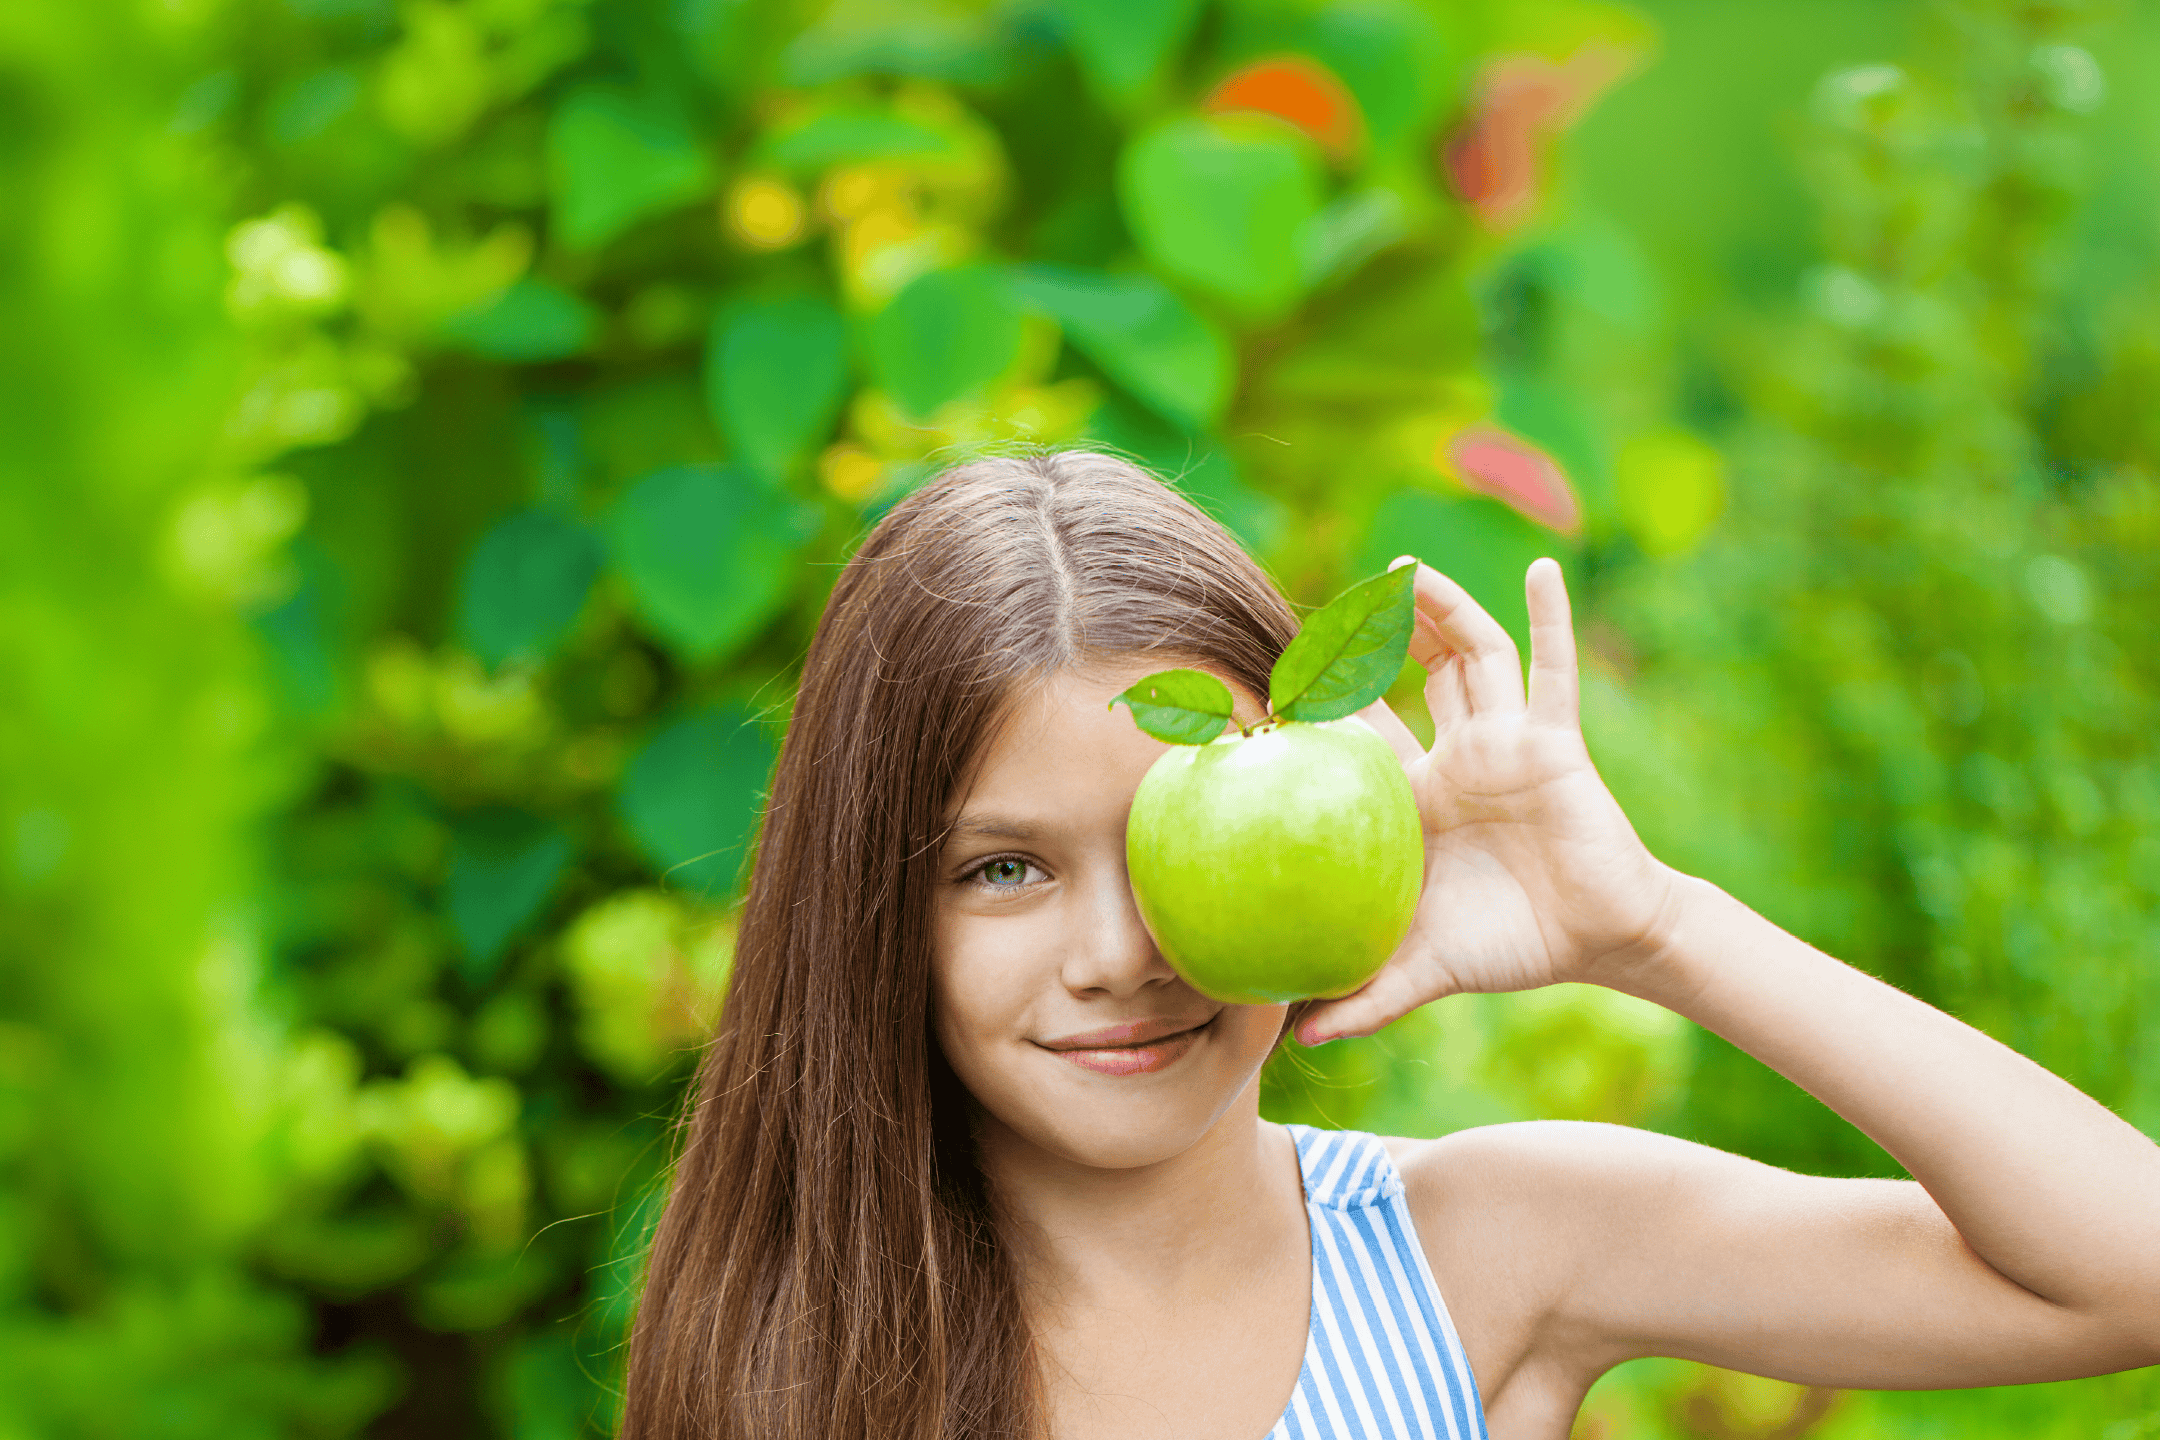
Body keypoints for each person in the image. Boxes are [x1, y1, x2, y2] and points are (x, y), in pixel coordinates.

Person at [618, 450, 2160, 1440]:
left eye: (1175, 840)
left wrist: (1654, 929)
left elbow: (2127, 1273)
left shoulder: (1485, 1254)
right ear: (876, 908)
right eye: (1002, 868)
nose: (1115, 952)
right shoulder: (796, 1352)